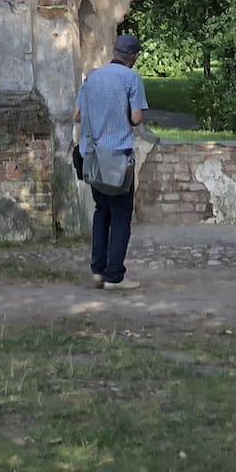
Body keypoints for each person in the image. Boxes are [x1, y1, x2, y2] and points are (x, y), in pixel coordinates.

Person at [73, 32, 149, 289]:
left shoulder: (92, 78)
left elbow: (77, 115)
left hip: (92, 158)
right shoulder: (131, 79)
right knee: (120, 215)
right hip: (118, 160)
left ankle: (97, 270)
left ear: (115, 52)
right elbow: (137, 119)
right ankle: (114, 276)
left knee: (101, 211)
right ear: (134, 57)